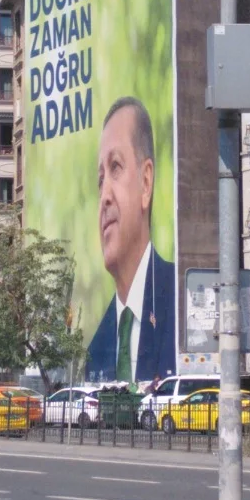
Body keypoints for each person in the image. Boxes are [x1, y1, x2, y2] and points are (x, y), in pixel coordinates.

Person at [86, 97, 175, 383]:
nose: (105, 196)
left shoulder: (179, 300)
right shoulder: (96, 346)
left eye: (115, 167)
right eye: (100, 180)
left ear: (146, 183)